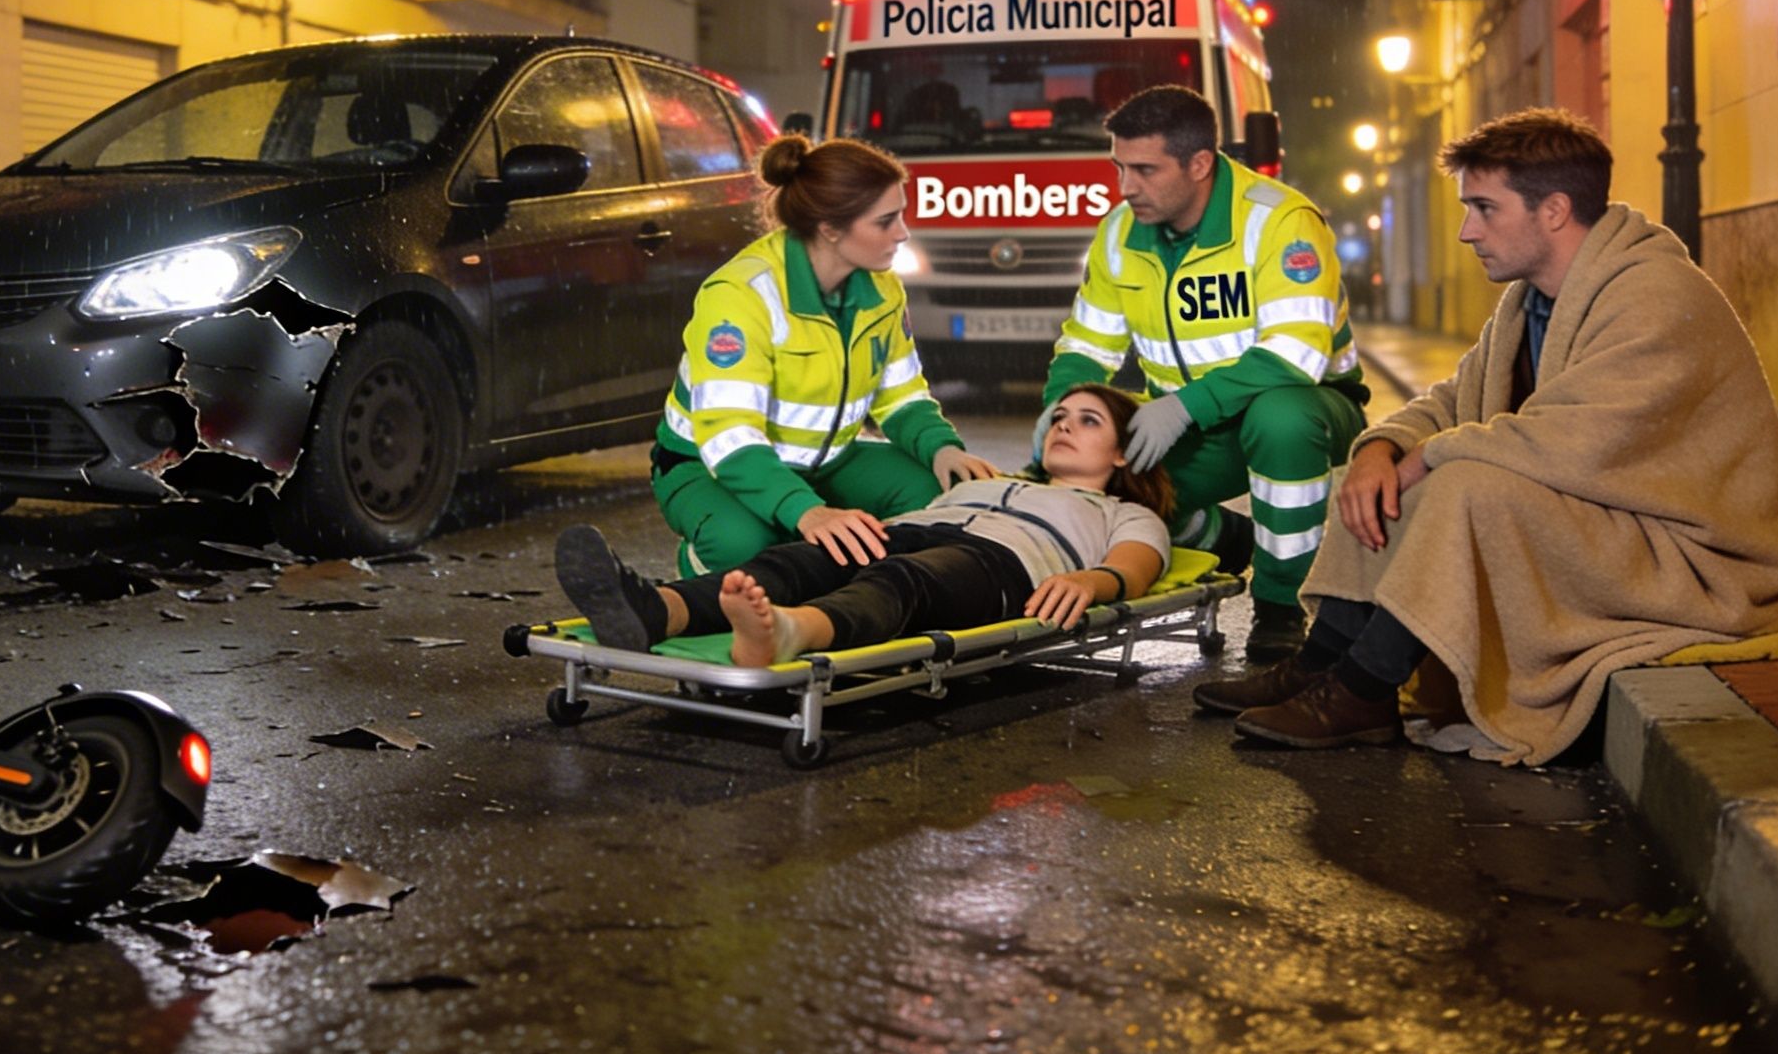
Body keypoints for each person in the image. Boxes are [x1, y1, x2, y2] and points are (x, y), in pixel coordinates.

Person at [1195, 109, 1778, 761]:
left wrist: (1427, 457)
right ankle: (1322, 665)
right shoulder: (1533, 300)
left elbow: (1574, 440)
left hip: (1696, 562)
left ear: (1552, 210)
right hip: (1618, 526)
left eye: (1485, 209)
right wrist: (1384, 449)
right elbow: (1454, 401)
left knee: (1463, 486)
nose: (1467, 231)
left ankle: (1363, 689)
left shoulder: (1657, 297)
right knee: (1380, 475)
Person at [1041, 86, 1370, 660]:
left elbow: (1297, 353)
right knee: (1092, 487)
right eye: (1119, 166)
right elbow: (1087, 345)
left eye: (1144, 169)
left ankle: (1280, 606)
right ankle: (1228, 538)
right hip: (1190, 420)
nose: (1126, 187)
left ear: (1199, 164)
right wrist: (1059, 409)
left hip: (1305, 406)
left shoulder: (1280, 221)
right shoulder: (1120, 233)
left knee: (1282, 419)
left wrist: (1183, 407)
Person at [564, 386, 1172, 666]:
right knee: (800, 560)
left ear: (1124, 454)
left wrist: (1093, 585)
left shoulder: (1123, 512)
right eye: (1059, 415)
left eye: (1089, 421)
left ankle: (789, 634)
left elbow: (1136, 567)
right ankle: (654, 609)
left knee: (904, 581)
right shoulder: (990, 477)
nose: (1064, 424)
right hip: (916, 529)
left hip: (1002, 565)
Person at [652, 134, 1001, 576]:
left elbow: (902, 396)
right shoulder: (741, 295)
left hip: (825, 461)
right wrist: (807, 512)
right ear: (831, 229)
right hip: (709, 466)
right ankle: (700, 562)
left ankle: (856, 573)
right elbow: (730, 438)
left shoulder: (882, 286)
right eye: (885, 221)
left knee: (943, 497)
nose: (903, 233)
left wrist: (941, 449)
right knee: (750, 545)